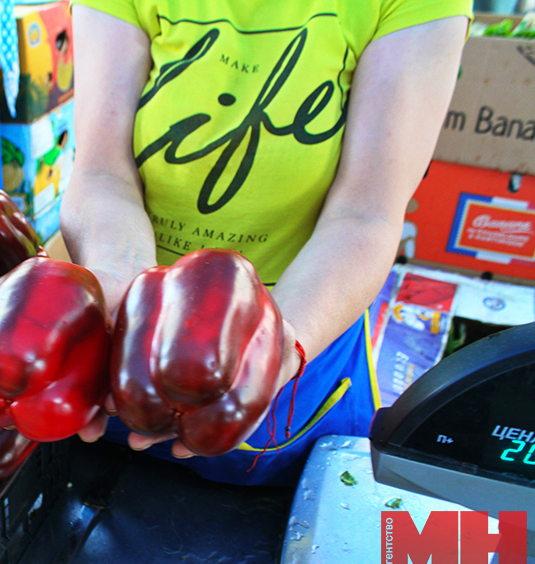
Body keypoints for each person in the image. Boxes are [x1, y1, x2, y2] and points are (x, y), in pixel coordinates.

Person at [61, 0, 472, 485]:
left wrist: (281, 341)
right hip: (127, 340)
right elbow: (100, 170)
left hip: (301, 327)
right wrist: (128, 287)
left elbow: (365, 213)